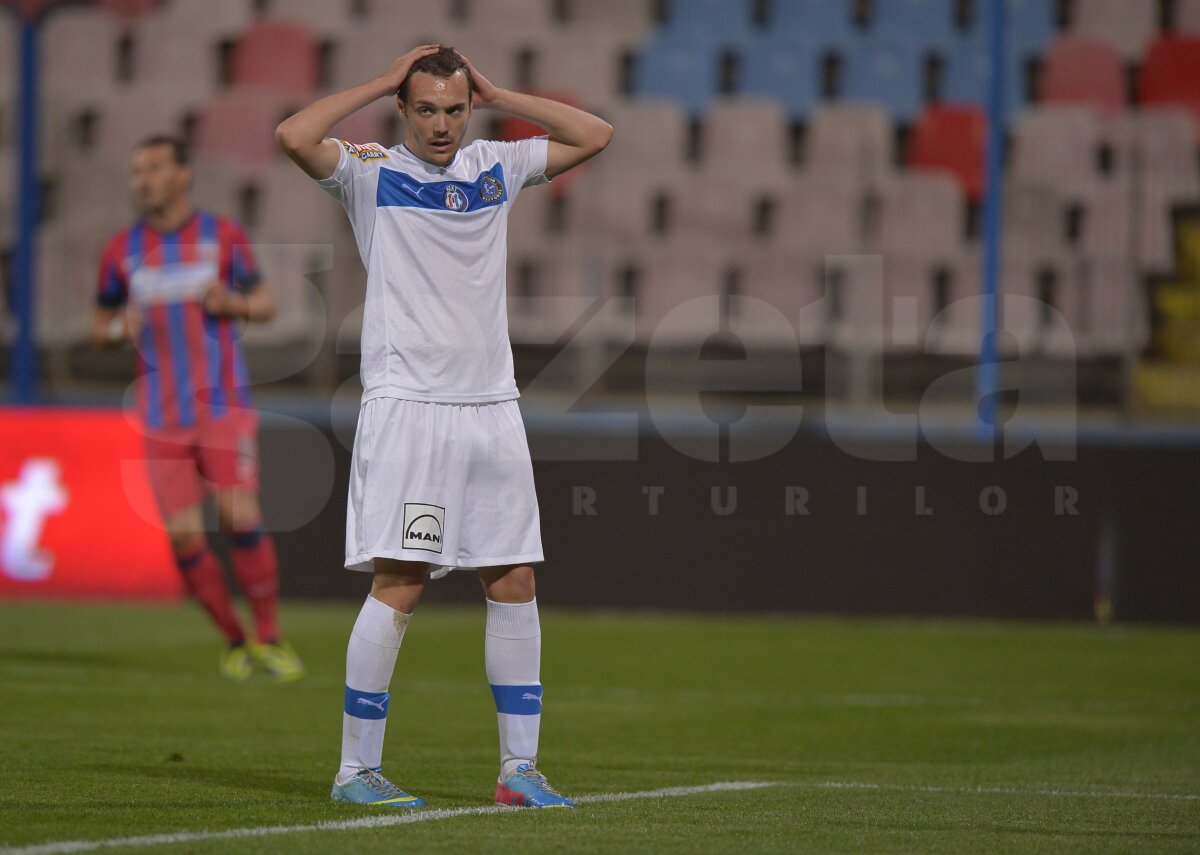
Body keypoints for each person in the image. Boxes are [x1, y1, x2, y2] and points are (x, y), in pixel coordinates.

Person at [276, 45, 611, 808]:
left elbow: (595, 134)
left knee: (515, 578)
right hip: (410, 407)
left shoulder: (494, 164)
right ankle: (355, 769)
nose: (441, 125)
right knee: (402, 580)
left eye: (454, 109)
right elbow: (294, 136)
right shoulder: (369, 171)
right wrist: (379, 78)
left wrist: (500, 95)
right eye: (425, 109)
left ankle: (517, 769)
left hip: (491, 406)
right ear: (403, 109)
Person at [93, 135, 305, 683]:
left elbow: (266, 303)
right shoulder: (121, 249)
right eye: (138, 170)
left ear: (184, 174)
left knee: (239, 515)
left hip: (222, 406)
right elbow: (99, 327)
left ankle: (271, 636)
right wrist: (119, 328)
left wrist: (232, 303)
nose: (142, 179)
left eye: (154, 168)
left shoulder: (223, 236)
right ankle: (235, 643)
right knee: (184, 537)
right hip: (162, 416)